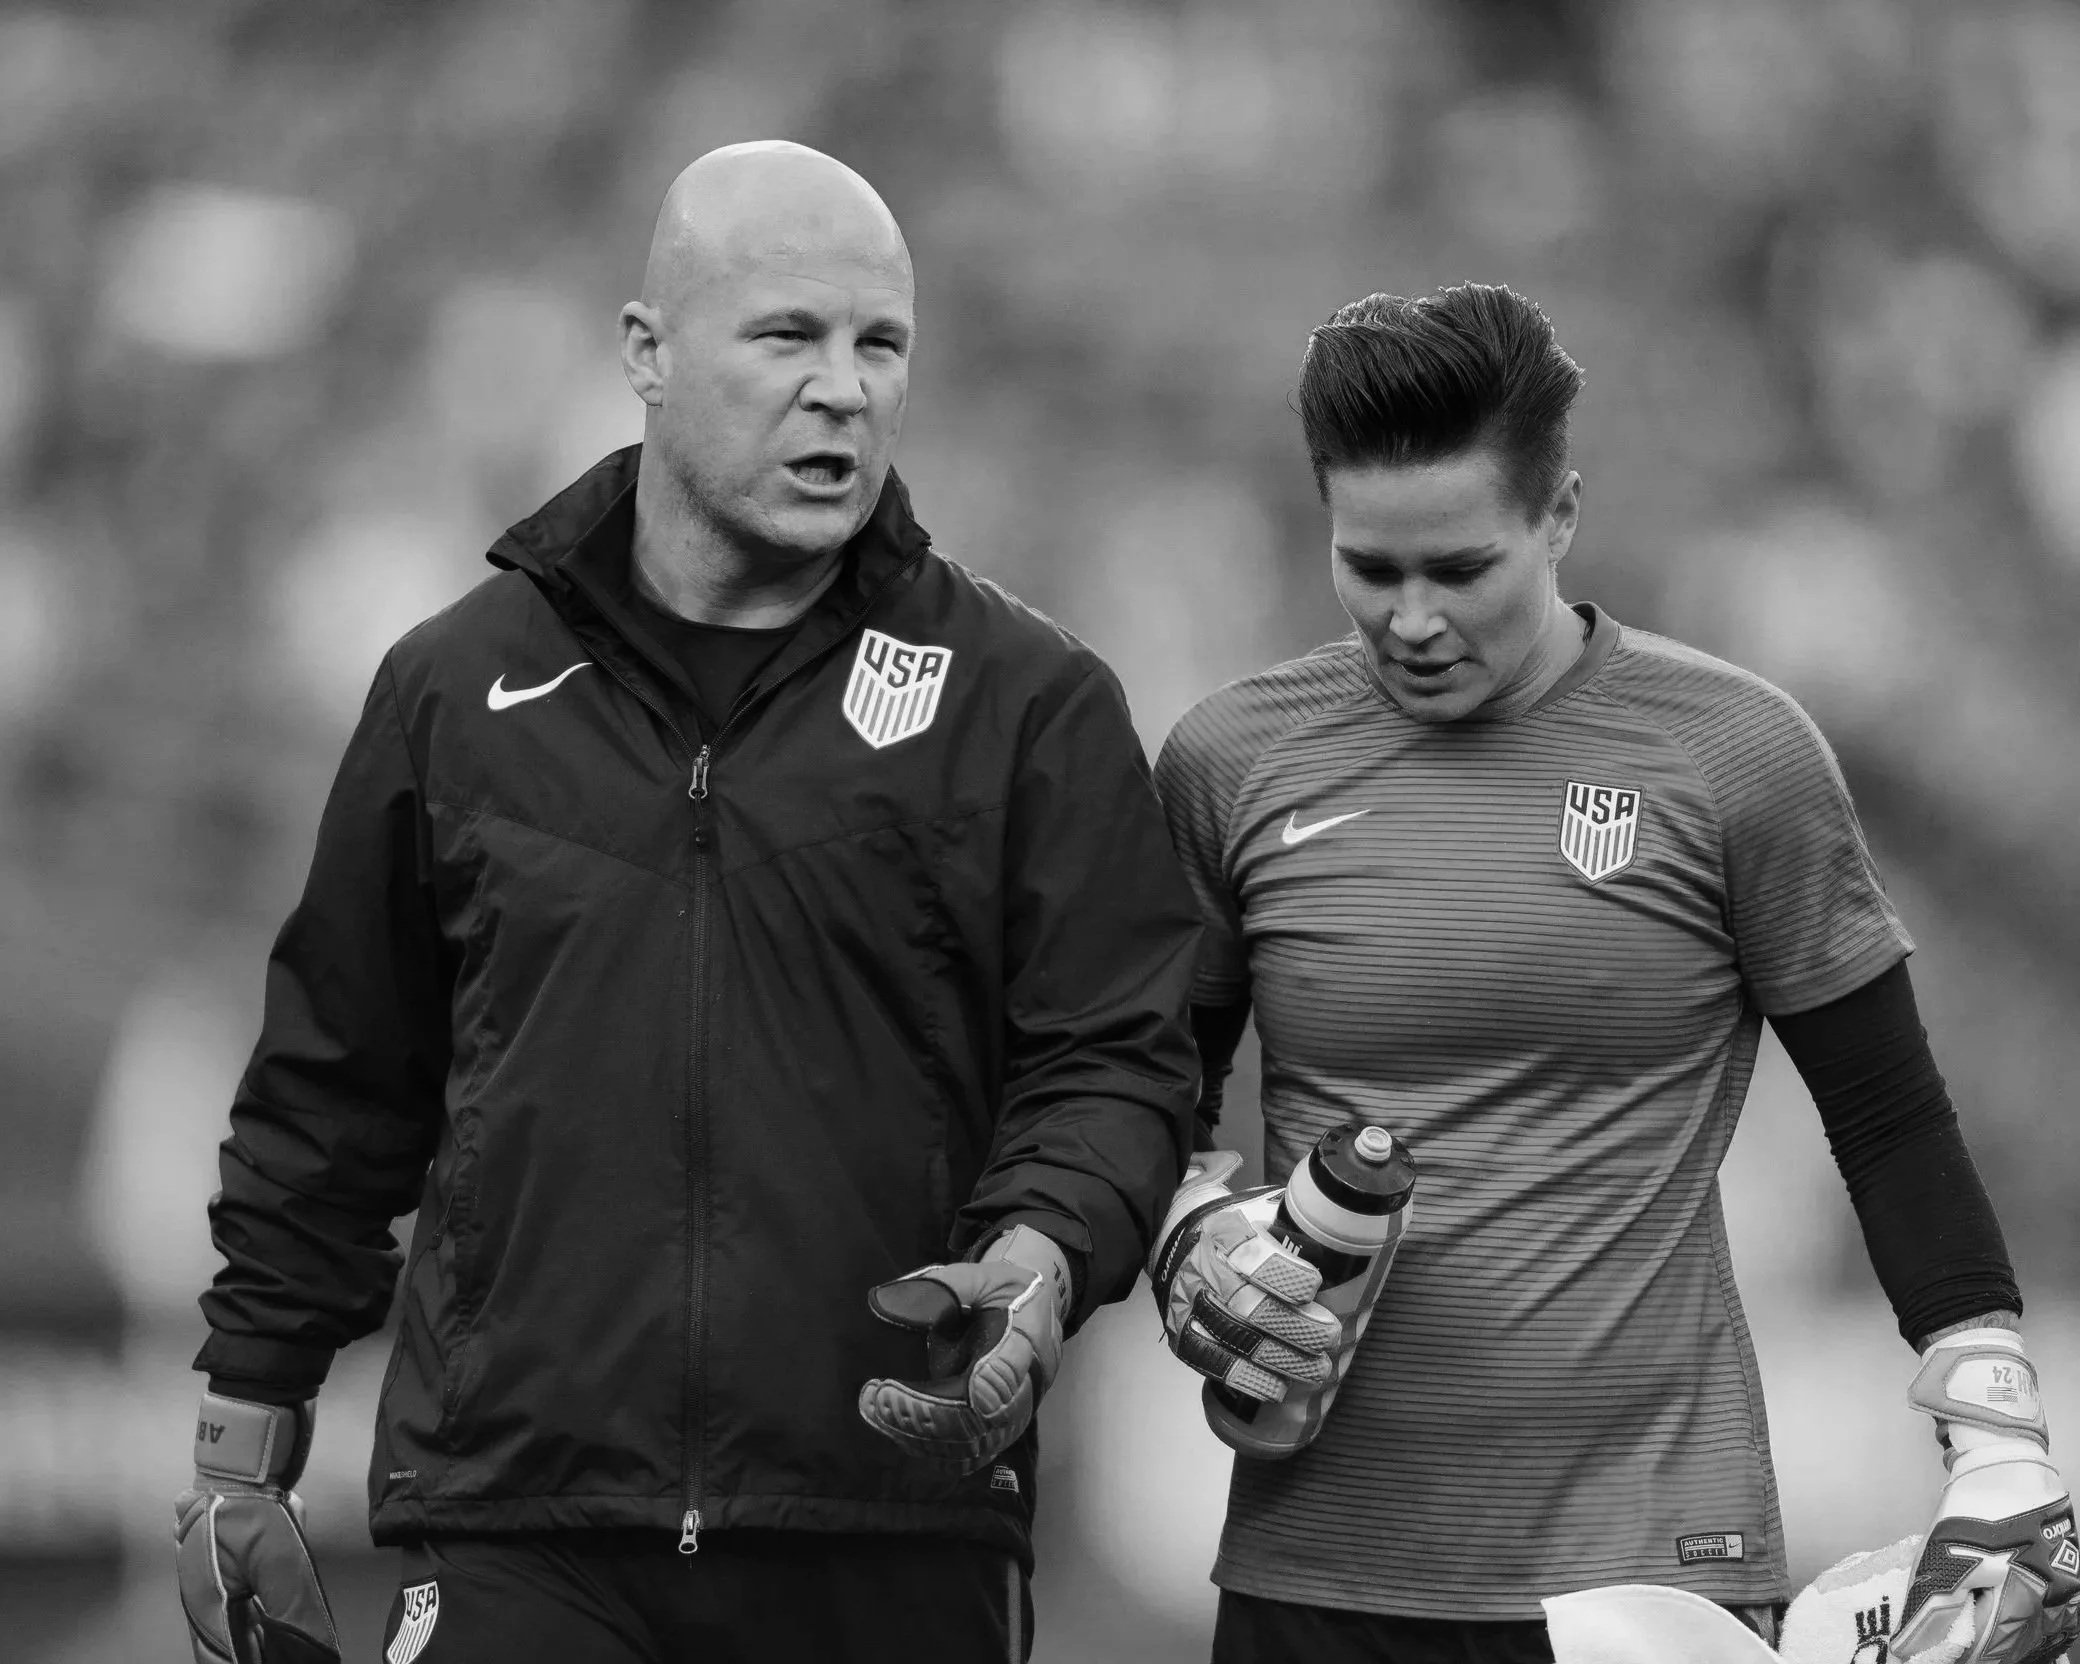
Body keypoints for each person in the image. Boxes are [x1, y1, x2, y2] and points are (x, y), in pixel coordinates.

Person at [173, 141, 1203, 1664]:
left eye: (881, 343)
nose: (845, 387)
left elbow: (1120, 1054)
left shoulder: (1025, 704)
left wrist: (1042, 1256)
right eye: (789, 335)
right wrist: (236, 1446)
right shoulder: (456, 691)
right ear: (647, 354)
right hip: (525, 1528)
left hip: (890, 1529)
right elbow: (336, 1087)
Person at [1150, 283, 2078, 1664]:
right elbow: (1146, 1091)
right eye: (1369, 569)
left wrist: (1998, 1436)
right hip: (1317, 1563)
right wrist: (1188, 1239)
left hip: (1644, 1575)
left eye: (1459, 571)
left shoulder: (1736, 756)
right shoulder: (1230, 760)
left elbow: (1886, 1116)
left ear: (1560, 516)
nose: (1409, 619)